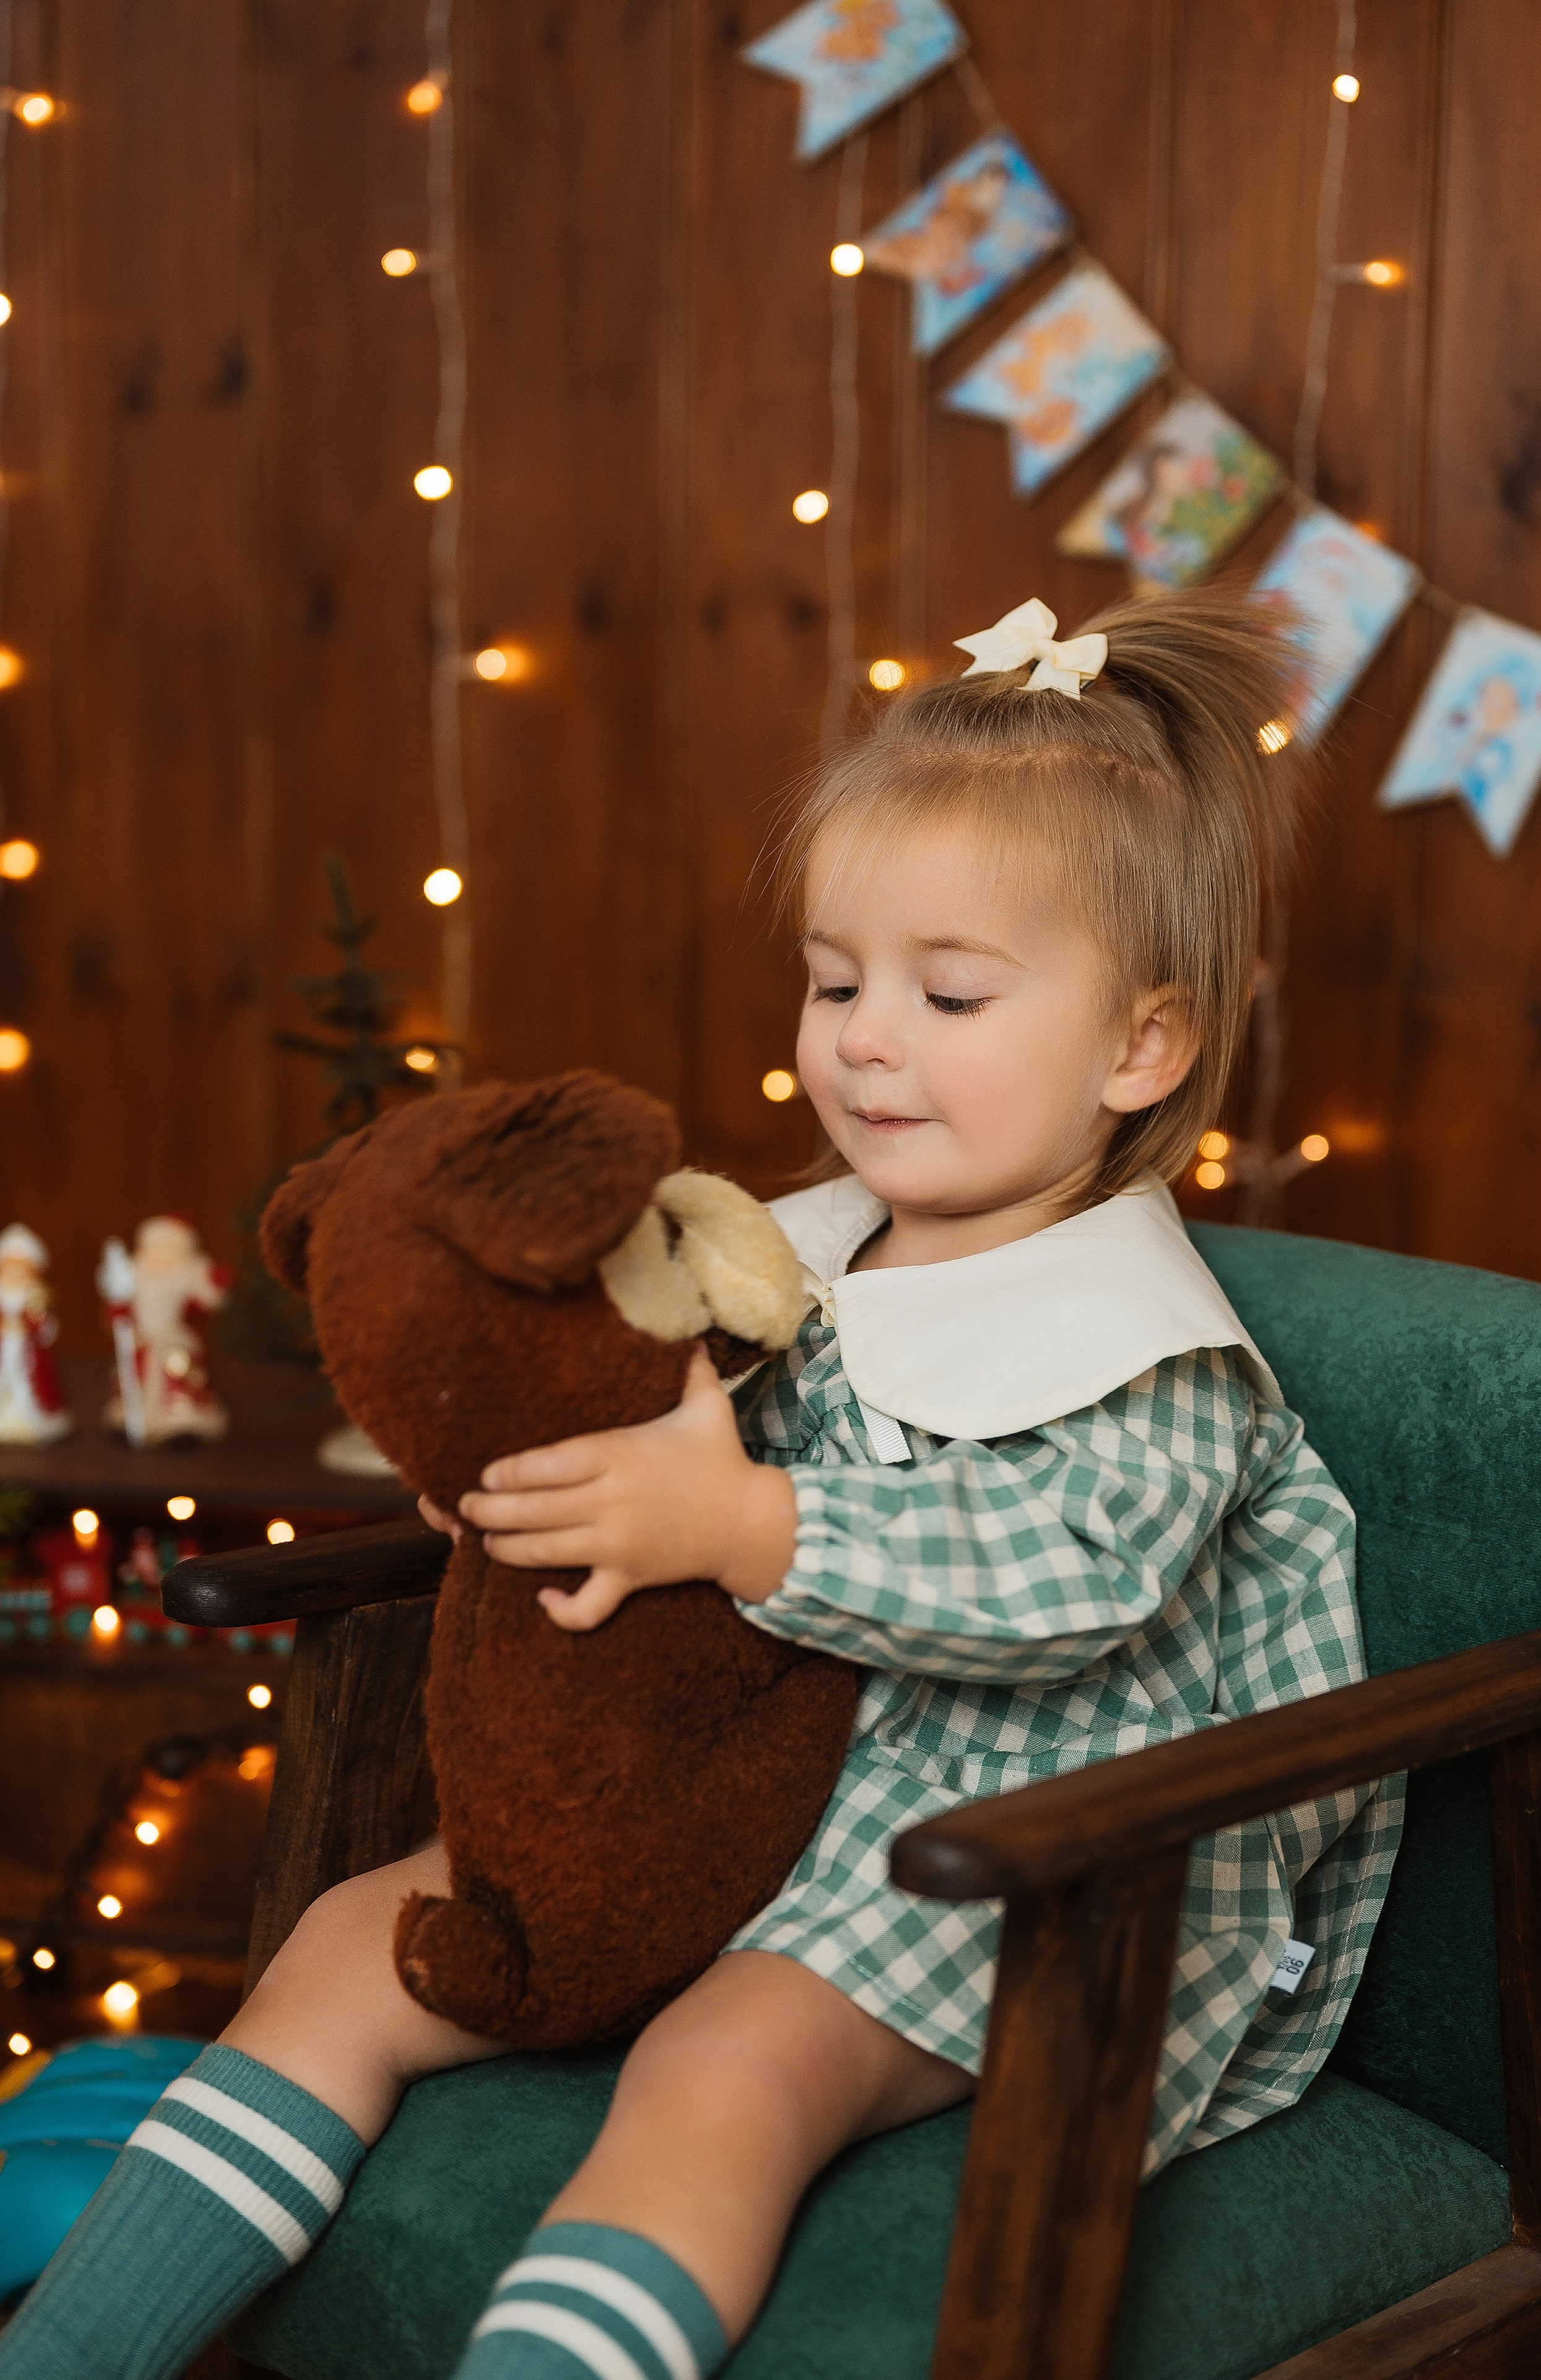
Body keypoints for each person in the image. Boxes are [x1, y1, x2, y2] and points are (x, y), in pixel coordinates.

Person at [0, 588, 1400, 2380]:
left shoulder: (1154, 1351)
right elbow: (641, 1414)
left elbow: (1068, 1574)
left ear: (1143, 1045)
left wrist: (739, 1521)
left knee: (721, 2060)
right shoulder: (790, 1255)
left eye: (948, 990)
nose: (864, 1037)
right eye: (834, 978)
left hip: (1039, 1868)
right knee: (362, 1938)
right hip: (744, 1784)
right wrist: (529, 1488)